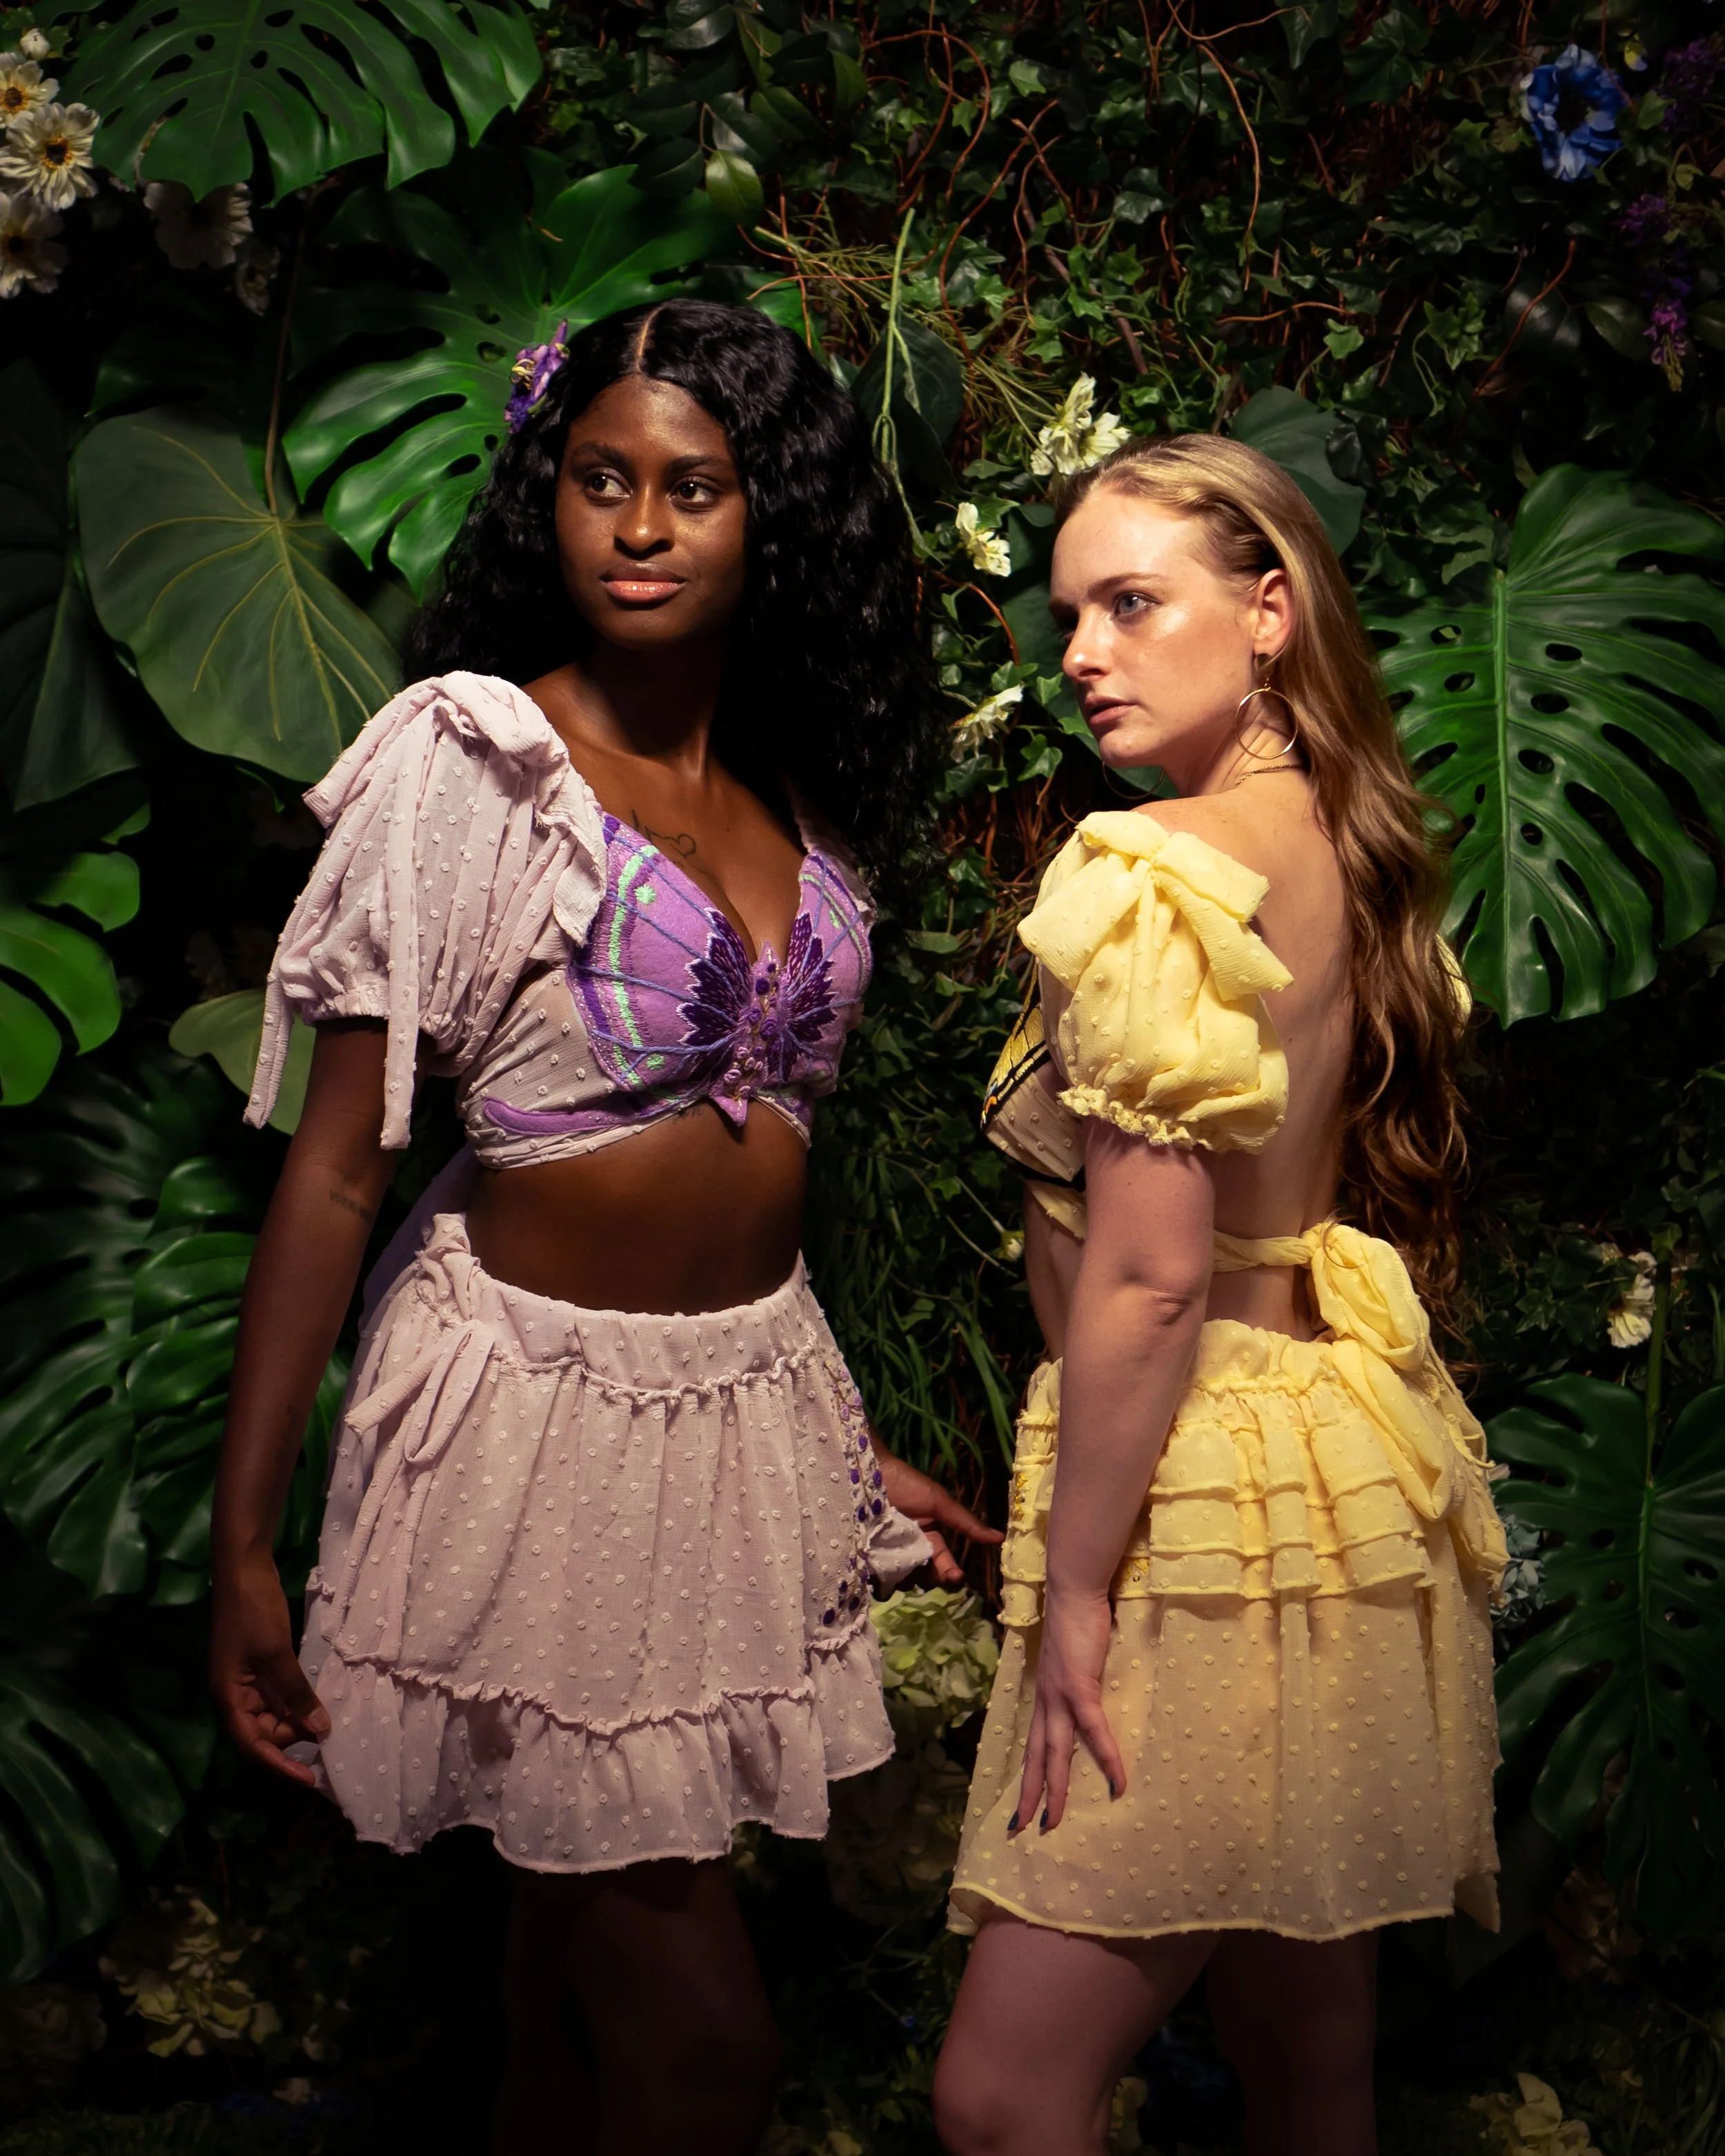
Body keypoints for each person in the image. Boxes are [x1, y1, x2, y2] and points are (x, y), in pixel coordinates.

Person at [207, 297, 997, 2156]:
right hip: (530, 1434)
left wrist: (834, 1453)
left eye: (693, 487)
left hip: (732, 1416)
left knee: (566, 1988)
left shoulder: (783, 792)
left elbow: (737, 1201)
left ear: (766, 518)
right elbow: (338, 1170)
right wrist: (248, 1539)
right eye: (600, 480)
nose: (638, 525)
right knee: (707, 2051)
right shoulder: (473, 766)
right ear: (544, 498)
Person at [933, 434, 1506, 2156]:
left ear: (1267, 613)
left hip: (1200, 1499)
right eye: (1067, 619)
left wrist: (1082, 1590)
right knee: (1300, 2040)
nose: (1084, 654)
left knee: (998, 2095)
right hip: (1334, 1457)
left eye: (1131, 603)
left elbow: (1145, 1278)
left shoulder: (1161, 865)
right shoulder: (1327, 837)